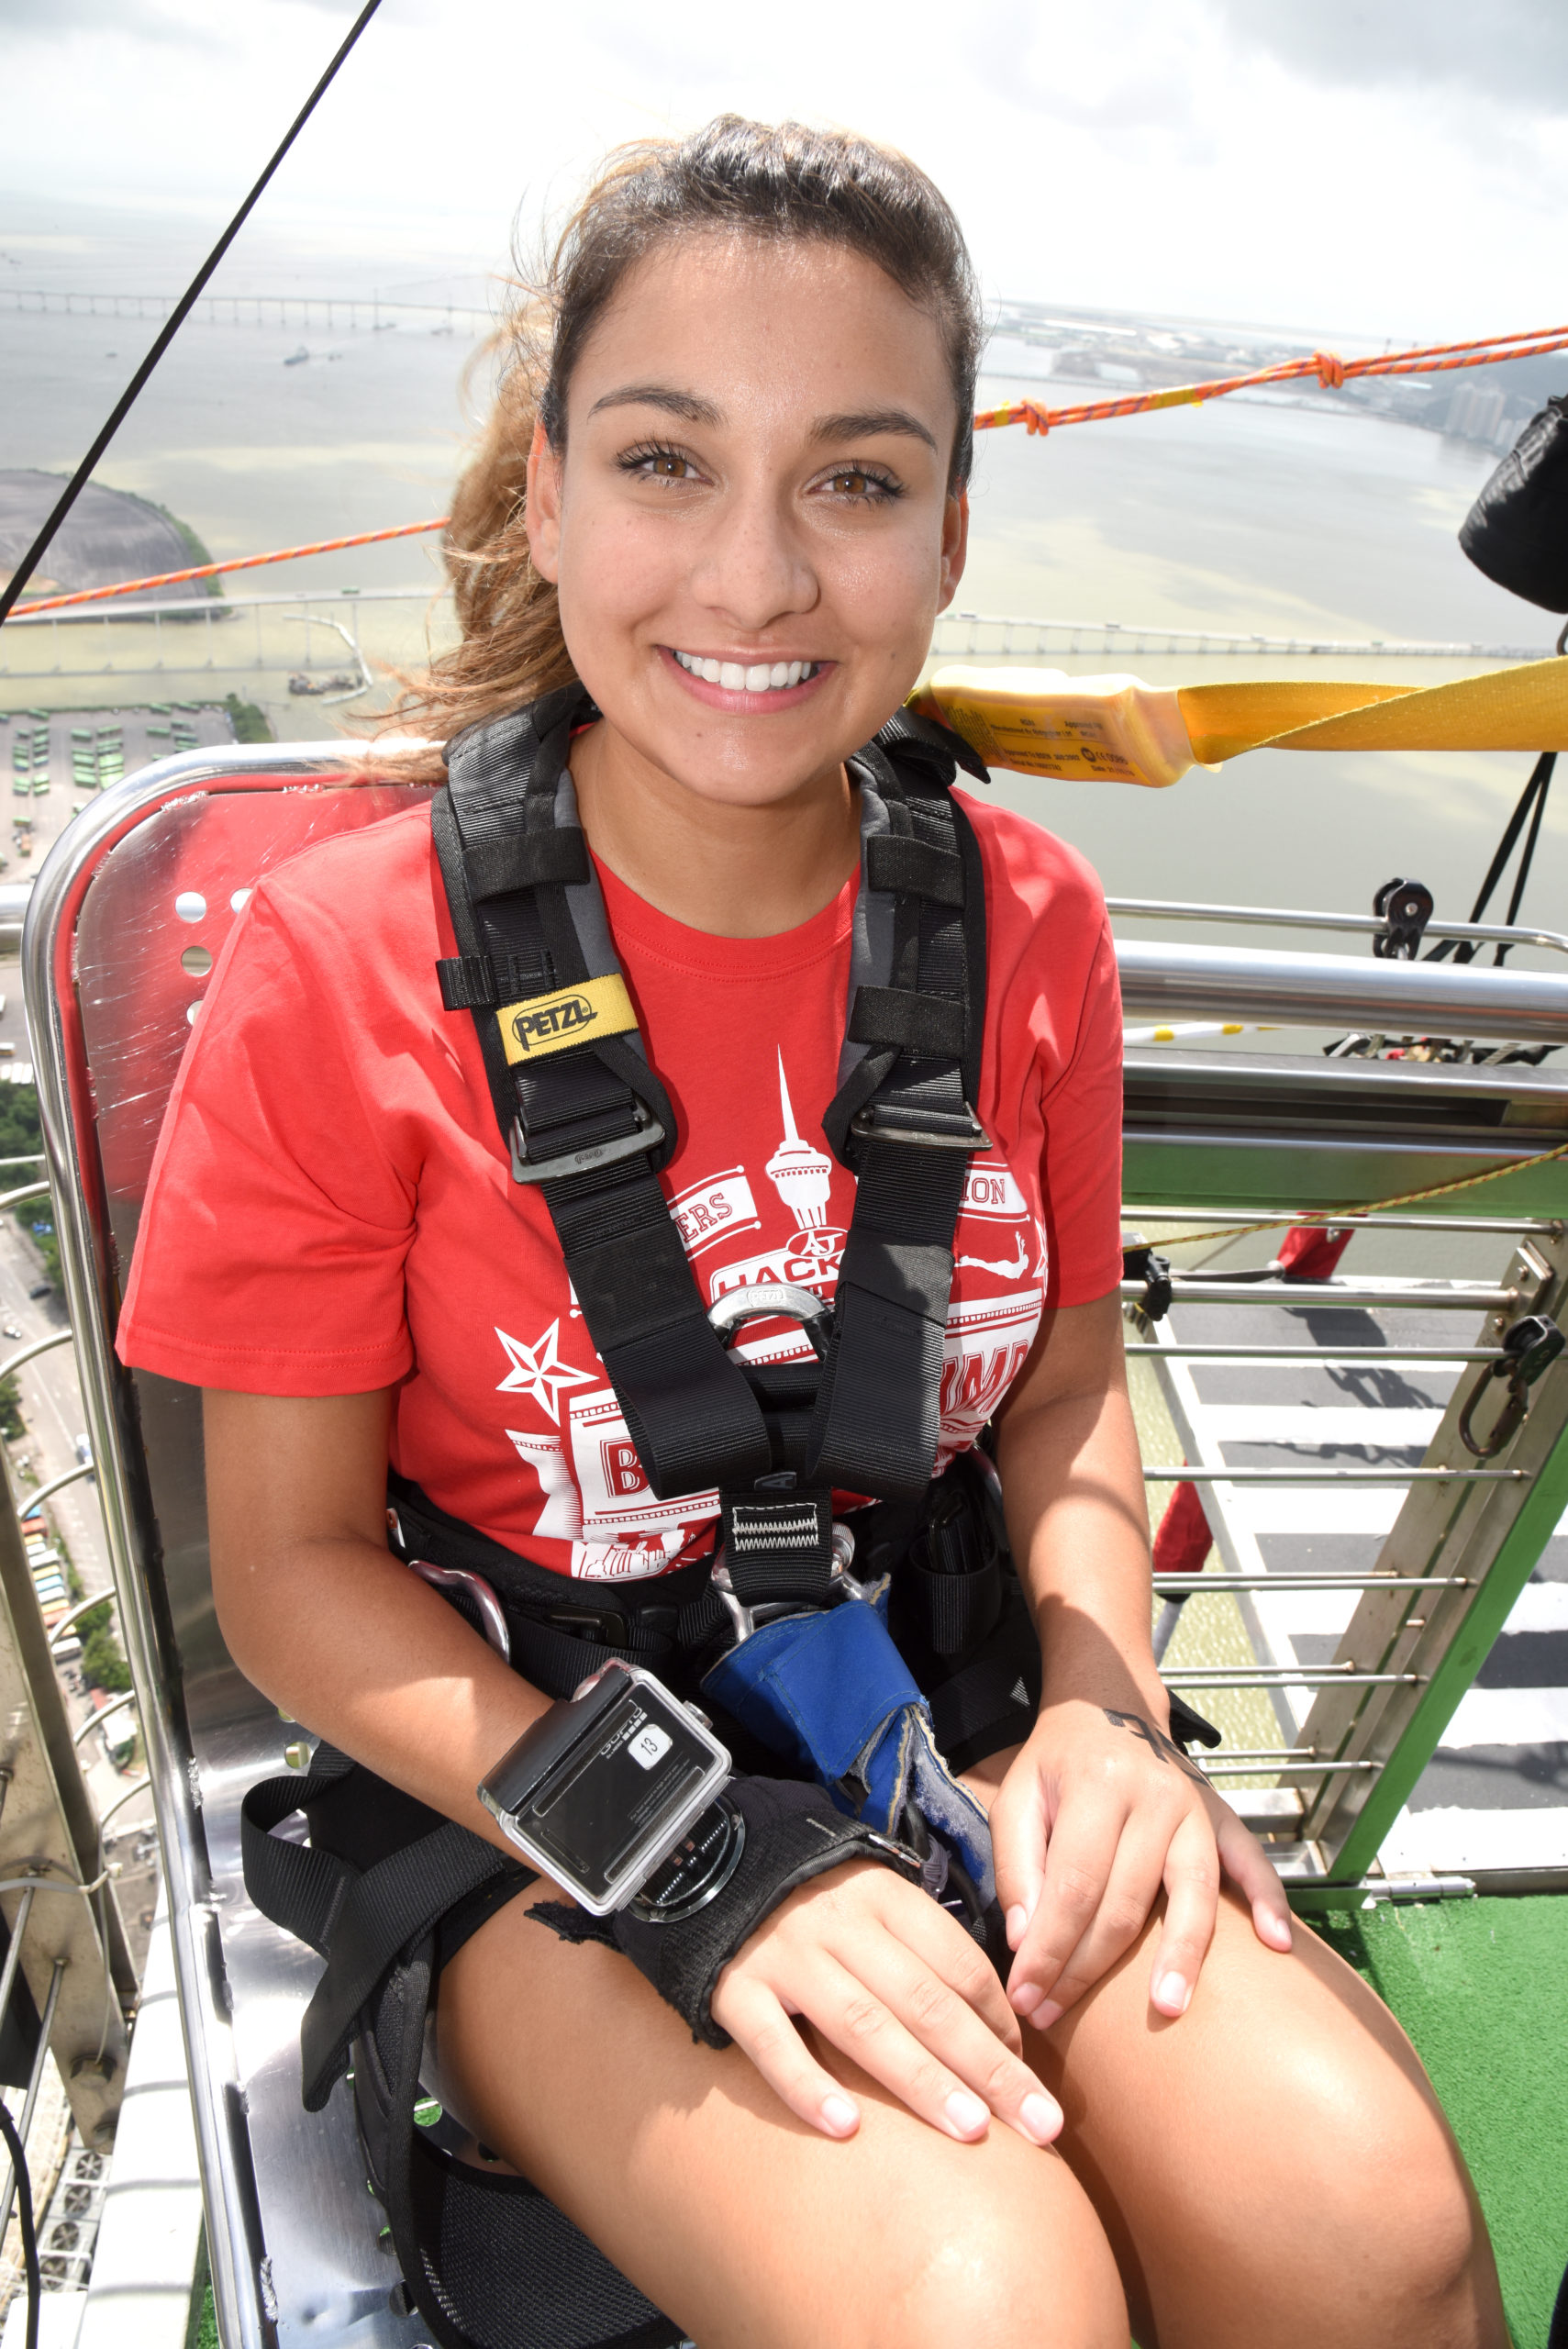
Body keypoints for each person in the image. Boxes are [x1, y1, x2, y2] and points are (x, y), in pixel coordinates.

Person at [117, 117, 1506, 2349]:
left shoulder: (1018, 925)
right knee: (984, 2306)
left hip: (935, 1700)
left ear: (950, 532)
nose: (758, 576)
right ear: (546, 491)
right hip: (540, 1775)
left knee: (1371, 2238)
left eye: (855, 482)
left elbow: (1053, 1391)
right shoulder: (345, 965)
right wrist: (678, 1854)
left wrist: (1101, 1712)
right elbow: (286, 1578)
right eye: (669, 462)